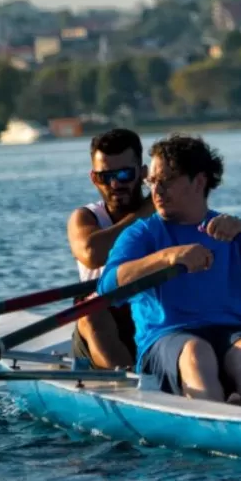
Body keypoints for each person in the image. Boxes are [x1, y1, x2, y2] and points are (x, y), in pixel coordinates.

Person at [97, 133, 241, 412]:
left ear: (199, 182)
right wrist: (168, 257)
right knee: (197, 351)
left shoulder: (231, 230)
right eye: (152, 181)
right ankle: (221, 416)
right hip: (167, 341)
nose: (156, 190)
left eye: (166, 180)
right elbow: (108, 288)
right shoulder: (142, 235)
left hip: (235, 334)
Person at [67, 128, 154, 369]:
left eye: (125, 174)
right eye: (106, 176)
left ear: (143, 173)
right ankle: (132, 386)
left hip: (152, 314)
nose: (116, 184)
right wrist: (145, 212)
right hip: (103, 322)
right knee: (90, 311)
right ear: (94, 178)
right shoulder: (85, 218)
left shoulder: (167, 215)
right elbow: (92, 255)